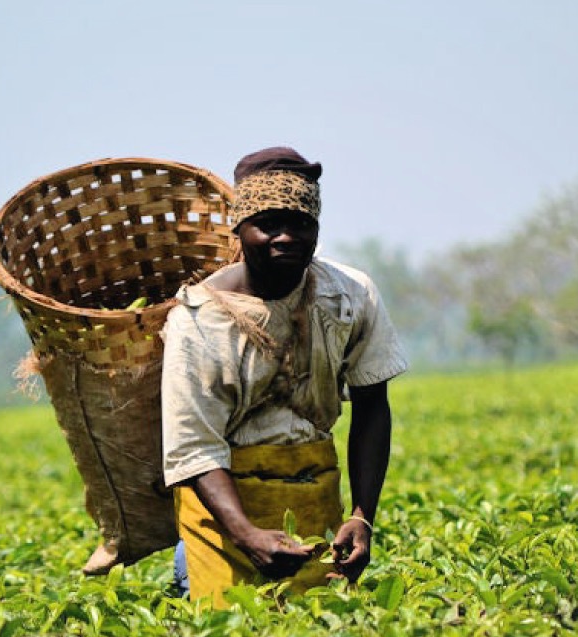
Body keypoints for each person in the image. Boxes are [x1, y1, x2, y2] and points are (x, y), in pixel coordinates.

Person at [161, 146, 407, 606]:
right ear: (240, 227)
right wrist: (247, 535)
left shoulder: (349, 296)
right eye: (268, 224)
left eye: (300, 223)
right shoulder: (198, 319)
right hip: (225, 517)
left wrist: (361, 516)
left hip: (314, 501)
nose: (286, 237)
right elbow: (194, 448)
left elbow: (372, 404)